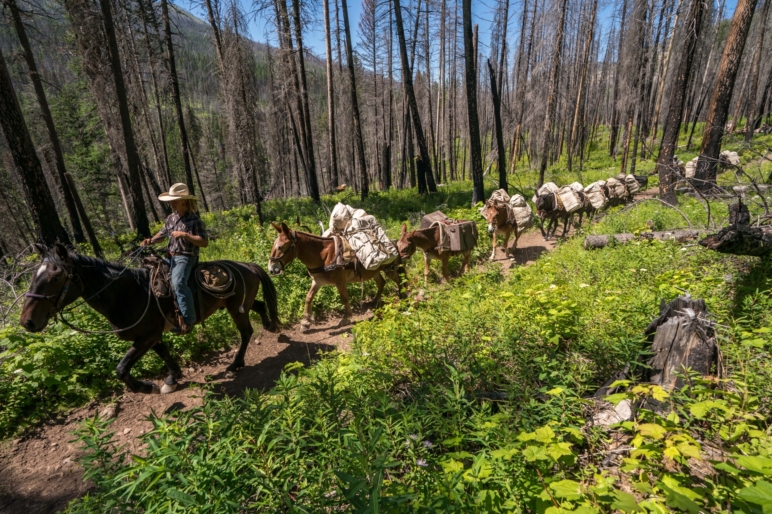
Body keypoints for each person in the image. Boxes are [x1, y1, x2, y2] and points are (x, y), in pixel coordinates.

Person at [142, 183, 208, 335]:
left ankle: (189, 319)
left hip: (186, 257)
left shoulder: (194, 220)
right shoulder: (171, 218)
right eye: (171, 200)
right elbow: (162, 234)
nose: (171, 203)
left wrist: (185, 235)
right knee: (151, 275)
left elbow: (204, 242)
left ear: (184, 201)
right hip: (169, 256)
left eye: (174, 200)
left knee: (178, 283)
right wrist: (151, 240)